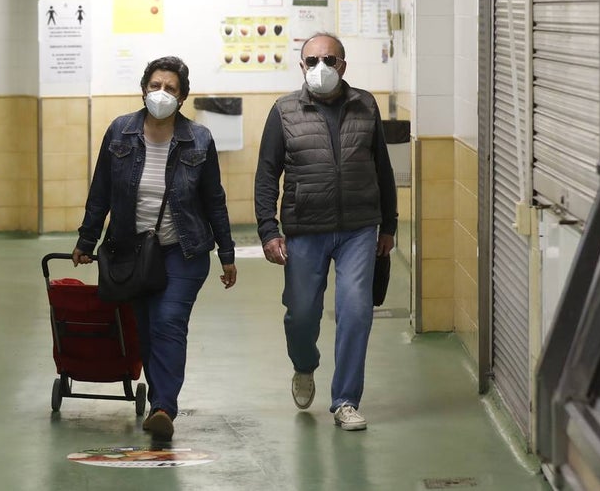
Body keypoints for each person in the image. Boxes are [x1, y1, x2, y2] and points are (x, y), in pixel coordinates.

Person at [73, 56, 237, 442]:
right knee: (144, 329)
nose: (161, 94)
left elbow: (214, 200)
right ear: (143, 88)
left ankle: (164, 407)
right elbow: (101, 193)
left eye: (171, 89)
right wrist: (86, 239)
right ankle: (158, 401)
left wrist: (227, 255)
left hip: (184, 249)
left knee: (168, 322)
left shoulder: (199, 139)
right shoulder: (120, 132)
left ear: (182, 99)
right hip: (131, 251)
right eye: (155, 86)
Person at [254, 32, 397, 432]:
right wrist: (269, 229)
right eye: (313, 60)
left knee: (356, 312)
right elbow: (267, 173)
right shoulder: (283, 111)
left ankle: (346, 400)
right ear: (301, 67)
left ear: (343, 66)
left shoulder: (365, 104)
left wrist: (389, 225)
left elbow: (382, 169)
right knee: (301, 316)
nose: (322, 67)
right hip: (304, 227)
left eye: (330, 60)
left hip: (359, 228)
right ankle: (304, 365)